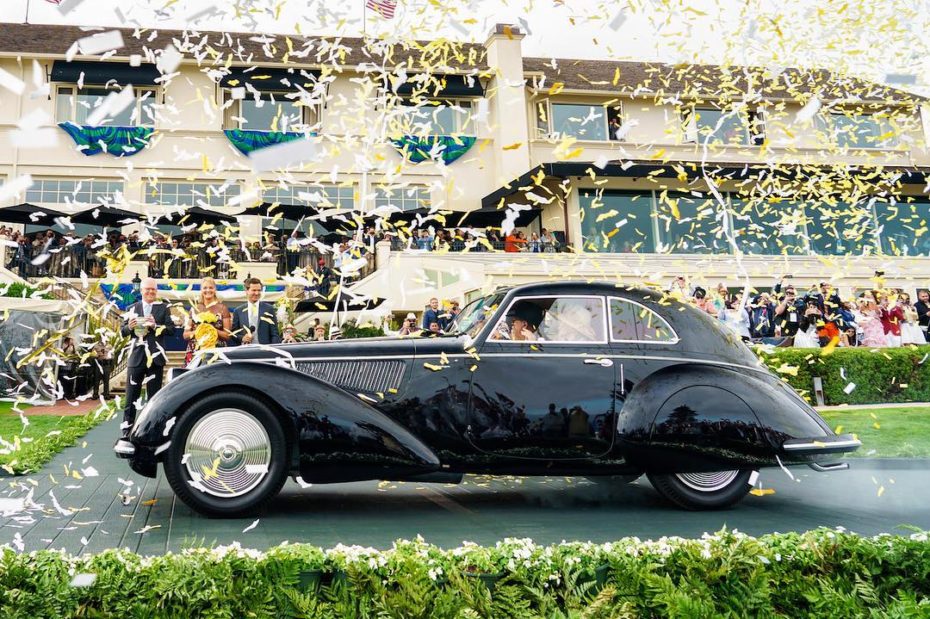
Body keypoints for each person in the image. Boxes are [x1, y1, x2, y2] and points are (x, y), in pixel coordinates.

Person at [118, 277, 175, 441]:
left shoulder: (163, 308)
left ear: (156, 292)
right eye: (147, 289)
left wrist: (156, 326)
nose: (150, 292)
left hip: (155, 358)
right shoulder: (131, 308)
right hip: (136, 357)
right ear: (141, 290)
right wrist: (129, 326)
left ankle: (152, 432)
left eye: (153, 290)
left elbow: (171, 330)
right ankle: (126, 432)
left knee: (154, 398)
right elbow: (122, 332)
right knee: (131, 397)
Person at [182, 277, 232, 366]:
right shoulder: (194, 308)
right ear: (201, 290)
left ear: (215, 289)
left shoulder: (223, 308)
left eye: (211, 287)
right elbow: (185, 335)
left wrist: (212, 330)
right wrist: (200, 330)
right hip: (195, 351)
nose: (208, 290)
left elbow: (227, 335)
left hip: (216, 352)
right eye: (205, 288)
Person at [230, 277, 281, 346]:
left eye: (259, 290)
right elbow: (233, 334)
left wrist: (273, 350)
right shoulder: (238, 311)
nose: (257, 293)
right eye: (254, 290)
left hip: (265, 351)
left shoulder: (269, 309)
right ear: (246, 291)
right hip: (244, 351)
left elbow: (275, 334)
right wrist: (242, 338)